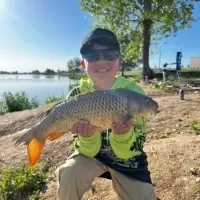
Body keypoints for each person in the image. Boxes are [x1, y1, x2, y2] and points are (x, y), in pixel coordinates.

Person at [55, 28, 157, 200]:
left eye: (110, 54)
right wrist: (87, 137)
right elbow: (84, 150)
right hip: (91, 155)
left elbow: (133, 148)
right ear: (83, 64)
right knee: (68, 173)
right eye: (93, 56)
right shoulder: (75, 96)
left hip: (128, 160)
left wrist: (123, 135)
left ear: (119, 61)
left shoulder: (134, 93)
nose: (101, 61)